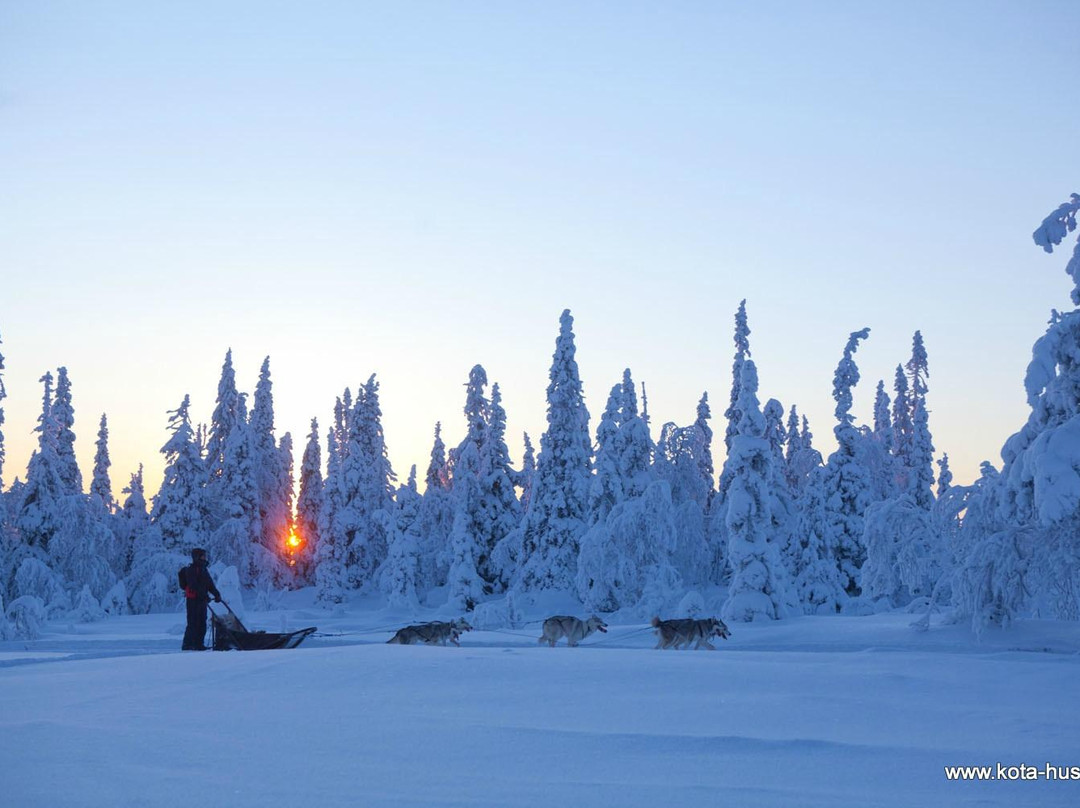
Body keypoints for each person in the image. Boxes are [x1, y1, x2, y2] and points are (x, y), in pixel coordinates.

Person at [180, 547, 222, 651]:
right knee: (193, 622)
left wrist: (216, 594)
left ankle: (199, 644)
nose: (204, 558)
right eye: (202, 556)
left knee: (202, 622)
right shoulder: (191, 570)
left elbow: (209, 584)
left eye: (204, 556)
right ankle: (188, 644)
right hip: (193, 600)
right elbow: (193, 585)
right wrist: (204, 595)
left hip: (202, 600)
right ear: (197, 557)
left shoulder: (203, 569)